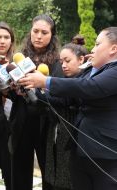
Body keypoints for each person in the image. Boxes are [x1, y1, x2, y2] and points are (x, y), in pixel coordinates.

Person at [19, 27, 117, 190]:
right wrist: (31, 90)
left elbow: (90, 87)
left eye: (98, 44)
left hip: (107, 154)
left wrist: (46, 81)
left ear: (114, 48)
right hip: (81, 150)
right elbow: (65, 99)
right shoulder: (93, 71)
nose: (93, 49)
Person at [8, 14, 63, 190]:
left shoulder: (58, 61)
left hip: (47, 122)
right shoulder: (19, 57)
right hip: (22, 119)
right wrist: (13, 89)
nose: (38, 36)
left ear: (52, 36)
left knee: (49, 173)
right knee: (19, 172)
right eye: (35, 31)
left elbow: (61, 92)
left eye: (44, 32)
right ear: (30, 32)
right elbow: (9, 90)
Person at [43, 38, 88, 190]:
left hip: (74, 139)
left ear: (81, 59)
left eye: (67, 61)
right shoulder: (64, 79)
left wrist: (39, 89)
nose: (63, 65)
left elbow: (65, 99)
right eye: (61, 61)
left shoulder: (85, 80)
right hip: (57, 134)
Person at [0, 21, 15, 190]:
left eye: (6, 37)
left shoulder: (17, 64)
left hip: (10, 125)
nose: (2, 41)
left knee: (11, 174)